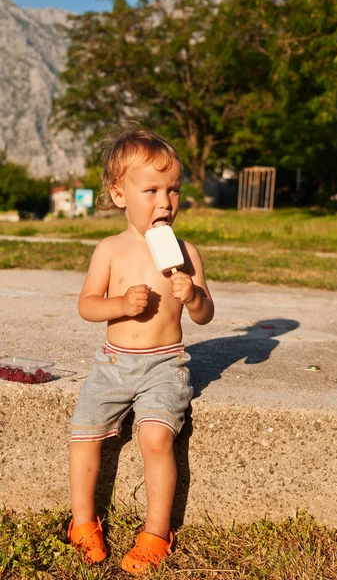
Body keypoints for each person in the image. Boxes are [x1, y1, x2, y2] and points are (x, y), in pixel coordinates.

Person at [68, 124, 214, 575]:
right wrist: (120, 304)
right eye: (151, 190)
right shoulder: (109, 250)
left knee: (155, 437)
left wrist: (192, 295)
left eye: (173, 190)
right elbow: (87, 306)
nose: (165, 202)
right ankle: (82, 521)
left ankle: (156, 529)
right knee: (83, 435)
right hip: (113, 363)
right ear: (118, 194)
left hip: (166, 365)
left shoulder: (186, 253)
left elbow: (206, 313)